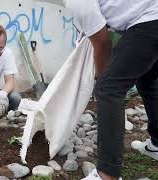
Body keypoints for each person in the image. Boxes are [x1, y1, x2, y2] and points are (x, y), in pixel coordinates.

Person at [64, 0, 158, 179]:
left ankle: (107, 174)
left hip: (150, 20)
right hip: (152, 15)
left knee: (109, 88)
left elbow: (103, 43)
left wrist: (101, 80)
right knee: (148, 79)